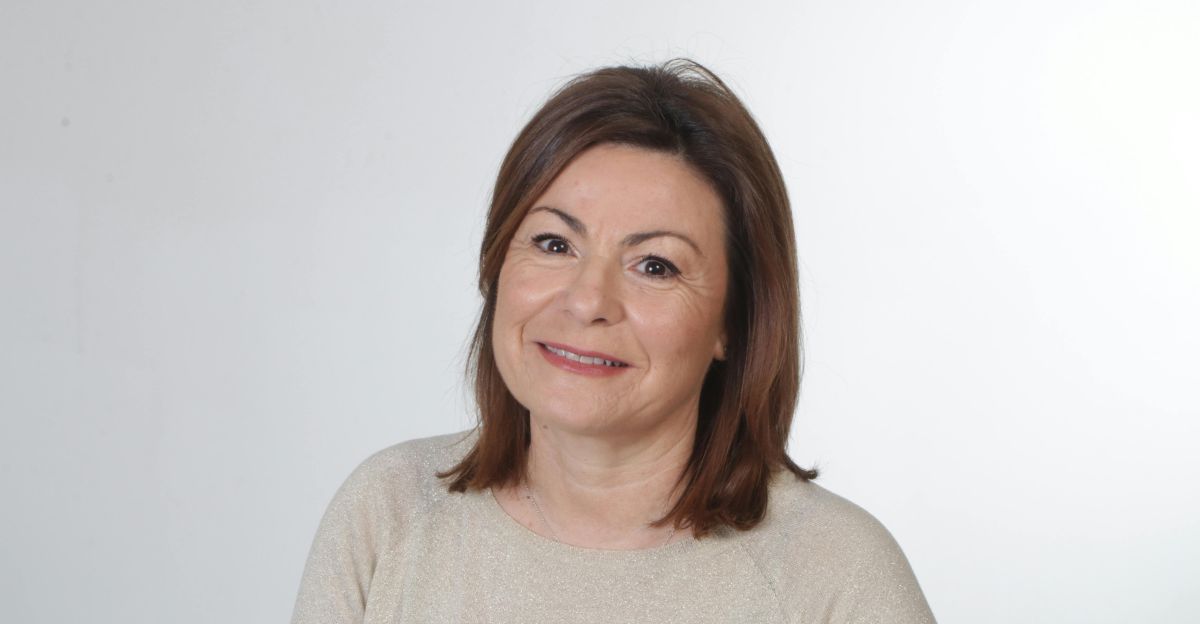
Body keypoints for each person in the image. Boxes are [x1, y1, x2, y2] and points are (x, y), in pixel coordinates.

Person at [290, 58, 936, 623]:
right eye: (554, 243)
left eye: (655, 265)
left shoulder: (835, 575)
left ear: (734, 323)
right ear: (496, 266)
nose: (587, 301)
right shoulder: (389, 513)